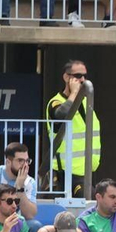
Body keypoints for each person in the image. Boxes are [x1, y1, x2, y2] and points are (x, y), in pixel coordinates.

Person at [44, 59, 99, 194]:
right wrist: (74, 93)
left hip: (87, 169)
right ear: (66, 77)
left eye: (84, 76)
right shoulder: (56, 101)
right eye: (78, 76)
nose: (82, 80)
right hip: (67, 172)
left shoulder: (87, 102)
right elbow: (60, 116)